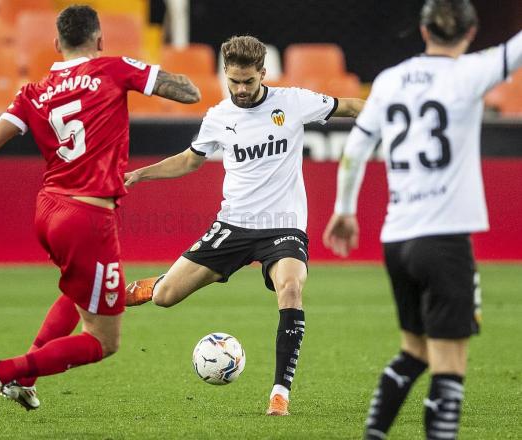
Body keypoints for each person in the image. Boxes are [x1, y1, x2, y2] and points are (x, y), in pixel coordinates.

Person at [0, 5, 200, 430]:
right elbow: (188, 93)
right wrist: (144, 70)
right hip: (88, 216)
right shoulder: (112, 68)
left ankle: (25, 378)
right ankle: (1, 371)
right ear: (99, 41)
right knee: (104, 340)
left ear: (56, 44)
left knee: (78, 293)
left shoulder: (34, 91)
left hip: (48, 210)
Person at [123, 35, 364, 416]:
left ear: (263, 74)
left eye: (248, 81)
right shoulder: (219, 116)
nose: (240, 89)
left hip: (283, 226)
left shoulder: (293, 102)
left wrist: (393, 115)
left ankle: (279, 394)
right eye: (233, 81)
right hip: (233, 226)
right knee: (166, 296)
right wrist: (139, 175)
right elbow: (190, 160)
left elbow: (350, 106)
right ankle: (150, 285)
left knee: (291, 288)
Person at [322, 0, 522, 437]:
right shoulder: (470, 72)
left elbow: (354, 150)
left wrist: (344, 210)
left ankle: (373, 433)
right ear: (471, 33)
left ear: (422, 29)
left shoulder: (391, 80)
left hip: (398, 238)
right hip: (445, 238)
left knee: (414, 352)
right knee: (450, 366)